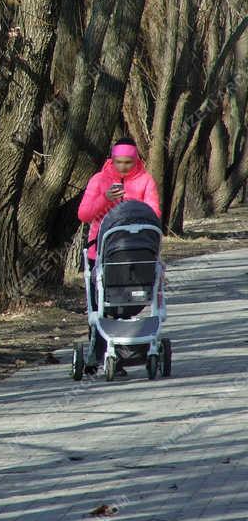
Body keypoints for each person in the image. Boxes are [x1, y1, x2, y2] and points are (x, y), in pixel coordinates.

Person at [77, 137, 162, 375]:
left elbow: (153, 212)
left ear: (136, 160)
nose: (123, 167)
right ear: (111, 160)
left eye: (128, 162)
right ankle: (100, 352)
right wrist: (106, 198)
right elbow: (84, 214)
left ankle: (125, 350)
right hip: (103, 252)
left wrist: (132, 208)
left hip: (137, 252)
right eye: (118, 162)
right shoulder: (99, 179)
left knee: (126, 300)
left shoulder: (145, 181)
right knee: (102, 302)